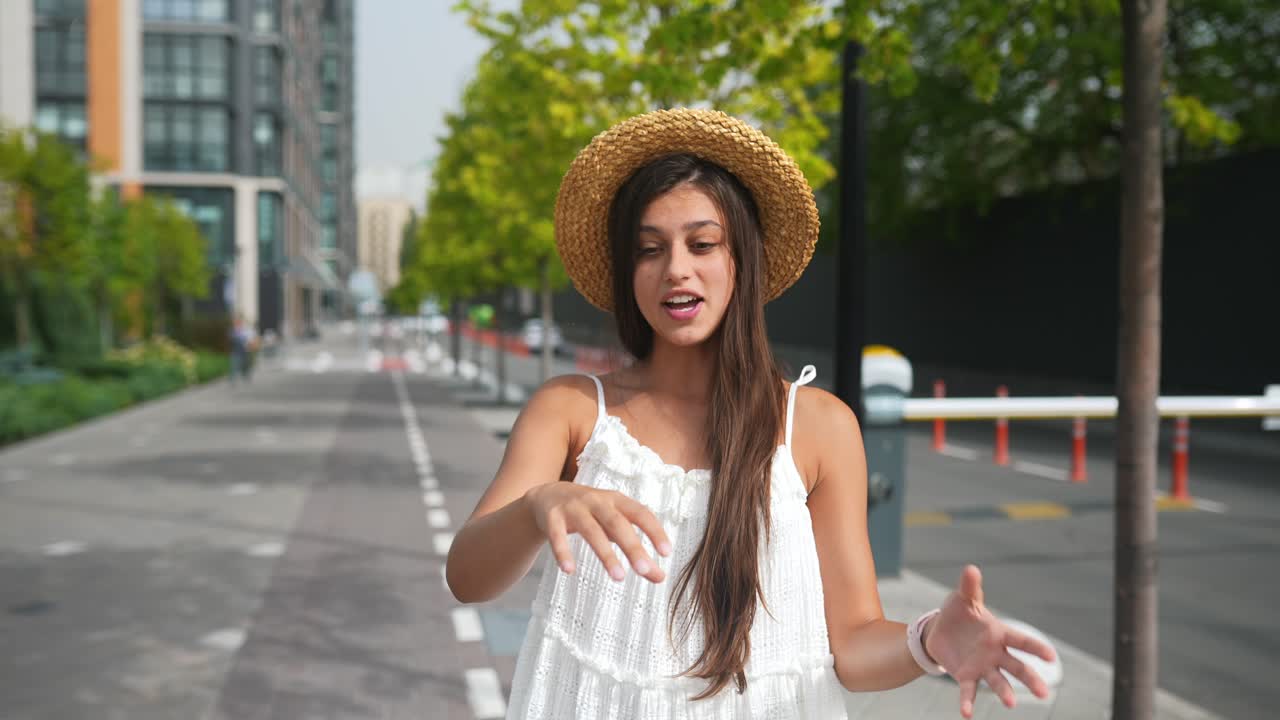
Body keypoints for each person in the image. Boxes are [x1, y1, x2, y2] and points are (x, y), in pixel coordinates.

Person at [445, 109, 1056, 719]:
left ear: (743, 257)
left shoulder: (819, 427)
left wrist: (928, 643)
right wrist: (538, 506)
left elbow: (852, 645)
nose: (676, 268)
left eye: (703, 243)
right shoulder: (572, 410)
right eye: (649, 249)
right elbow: (468, 578)